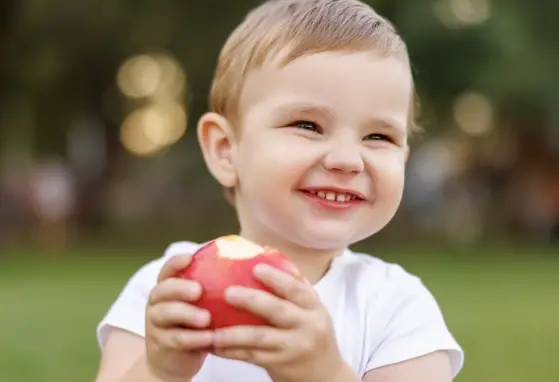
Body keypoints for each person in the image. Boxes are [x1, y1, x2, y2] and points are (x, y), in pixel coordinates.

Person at [95, 1, 464, 381]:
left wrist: (325, 373)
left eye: (378, 136)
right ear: (226, 149)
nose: (346, 160)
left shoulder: (396, 307)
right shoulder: (169, 291)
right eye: (307, 125)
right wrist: (160, 370)